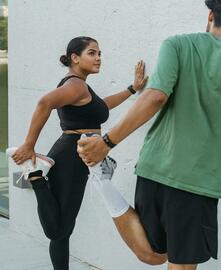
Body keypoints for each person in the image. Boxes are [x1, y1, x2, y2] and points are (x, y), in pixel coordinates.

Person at [77, 0, 221, 269]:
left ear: (210, 14)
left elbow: (154, 96)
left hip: (155, 168)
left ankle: (103, 181)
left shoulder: (176, 45)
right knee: (173, 262)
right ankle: (103, 181)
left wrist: (107, 143)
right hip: (197, 182)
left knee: (151, 254)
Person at [7, 36, 150, 270]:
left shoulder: (80, 86)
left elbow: (102, 105)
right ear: (75, 58)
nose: (98, 58)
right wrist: (28, 145)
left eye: (100, 53)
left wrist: (132, 88)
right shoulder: (76, 84)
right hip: (72, 155)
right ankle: (35, 177)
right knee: (59, 230)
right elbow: (44, 102)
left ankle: (36, 177)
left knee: (63, 232)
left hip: (74, 153)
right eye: (92, 53)